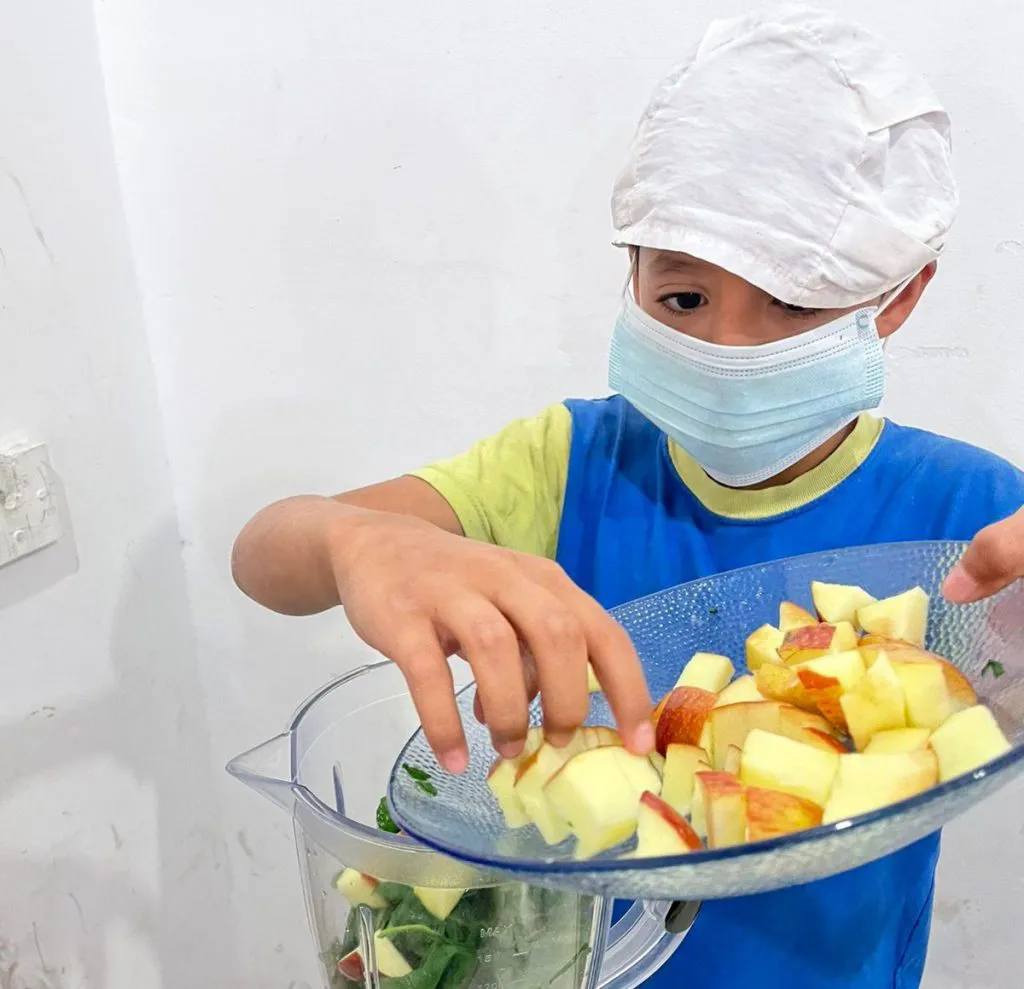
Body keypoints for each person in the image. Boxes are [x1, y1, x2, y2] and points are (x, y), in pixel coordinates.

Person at [232, 6, 1023, 988]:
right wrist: (354, 541)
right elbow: (265, 556)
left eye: (792, 303)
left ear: (896, 295)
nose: (728, 349)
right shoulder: (569, 461)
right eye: (683, 299)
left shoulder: (975, 516)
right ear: (632, 272)